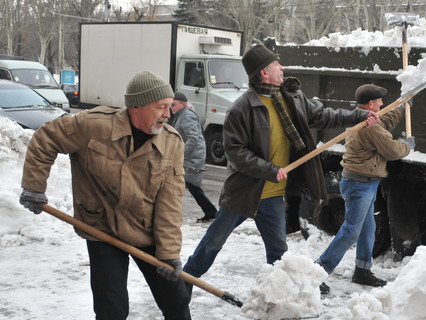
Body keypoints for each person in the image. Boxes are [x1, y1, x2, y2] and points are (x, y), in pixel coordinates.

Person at [183, 45, 379, 290]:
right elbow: (235, 152)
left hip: (273, 195)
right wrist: (269, 169)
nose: (282, 67)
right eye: (277, 64)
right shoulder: (241, 108)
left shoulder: (292, 98)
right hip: (244, 193)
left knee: (278, 252)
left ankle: (285, 294)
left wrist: (358, 116)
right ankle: (185, 280)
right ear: (264, 72)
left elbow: (324, 116)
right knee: (213, 242)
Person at [19, 70, 192, 320]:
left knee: (176, 299)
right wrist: (35, 186)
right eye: (161, 107)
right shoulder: (94, 125)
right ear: (136, 106)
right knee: (112, 307)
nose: (168, 114)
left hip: (147, 228)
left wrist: (169, 252)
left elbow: (170, 201)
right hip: (103, 228)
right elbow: (46, 138)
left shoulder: (171, 143)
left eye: (169, 106)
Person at [316, 84, 415, 294]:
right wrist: (408, 145)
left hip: (367, 183)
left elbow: (384, 121)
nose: (382, 104)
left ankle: (362, 270)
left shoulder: (367, 119)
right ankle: (316, 272)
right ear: (371, 104)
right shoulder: (368, 126)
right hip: (359, 184)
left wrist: (400, 107)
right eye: (380, 101)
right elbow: (392, 149)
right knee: (351, 231)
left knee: (367, 229)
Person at [170, 91, 218, 222]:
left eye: (173, 104)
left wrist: (180, 154)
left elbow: (193, 138)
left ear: (183, 104)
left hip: (192, 156)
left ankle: (211, 212)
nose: (171, 107)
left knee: (191, 185)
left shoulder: (186, 116)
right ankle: (210, 212)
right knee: (188, 185)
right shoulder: (182, 115)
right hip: (191, 155)